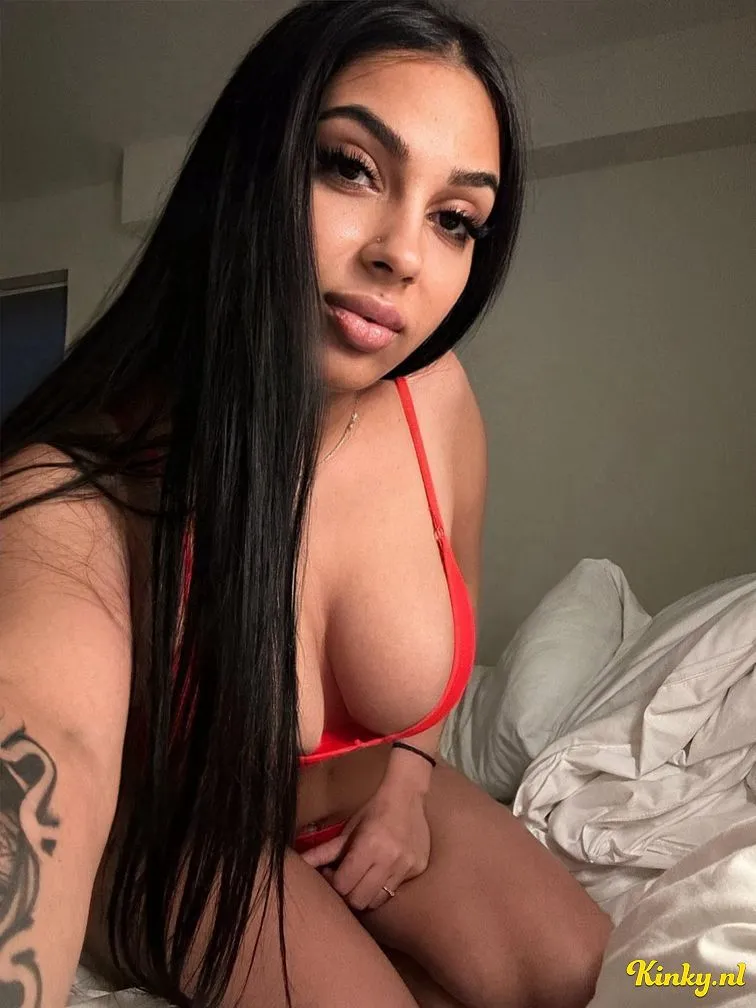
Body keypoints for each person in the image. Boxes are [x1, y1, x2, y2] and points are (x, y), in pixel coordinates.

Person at [0, 1, 611, 1006]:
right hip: (183, 842)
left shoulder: (437, 401)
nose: (403, 254)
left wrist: (408, 784)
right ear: (248, 169)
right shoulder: (78, 487)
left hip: (373, 801)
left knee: (634, 978)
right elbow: (41, 754)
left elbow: (453, 613)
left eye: (455, 218)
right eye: (350, 167)